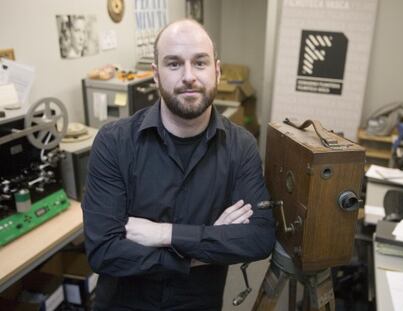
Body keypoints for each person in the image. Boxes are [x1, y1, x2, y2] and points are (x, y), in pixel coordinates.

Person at [82, 19, 275, 310]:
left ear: (217, 71)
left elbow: (259, 238)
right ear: (156, 76)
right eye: (174, 64)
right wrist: (206, 247)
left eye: (200, 63)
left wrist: (163, 234)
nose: (188, 76)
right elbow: (103, 252)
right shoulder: (114, 142)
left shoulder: (240, 146)